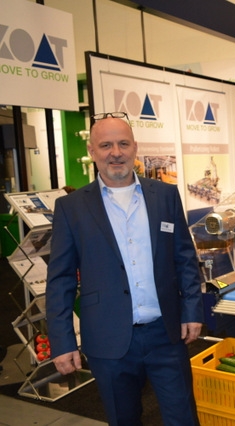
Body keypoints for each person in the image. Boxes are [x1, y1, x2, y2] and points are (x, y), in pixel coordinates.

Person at [46, 112, 203, 426]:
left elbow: (184, 258)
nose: (115, 153)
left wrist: (192, 310)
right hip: (108, 340)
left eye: (123, 144)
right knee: (123, 419)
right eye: (106, 145)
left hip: (166, 334)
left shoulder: (165, 196)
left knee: (183, 417)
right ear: (92, 151)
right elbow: (60, 280)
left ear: (135, 147)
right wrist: (62, 342)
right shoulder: (71, 208)